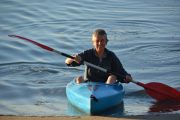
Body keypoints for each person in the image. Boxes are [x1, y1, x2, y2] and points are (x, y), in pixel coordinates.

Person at [65, 29, 132, 84]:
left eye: (102, 41)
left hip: (106, 84)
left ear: (106, 42)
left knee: (113, 77)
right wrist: (73, 59)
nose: (99, 43)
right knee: (79, 79)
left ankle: (106, 94)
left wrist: (127, 77)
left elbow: (120, 71)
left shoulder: (111, 56)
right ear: (93, 43)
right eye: (97, 41)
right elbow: (67, 62)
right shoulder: (88, 54)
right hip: (89, 83)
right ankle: (86, 96)